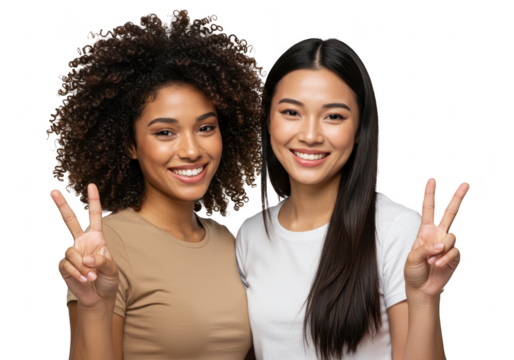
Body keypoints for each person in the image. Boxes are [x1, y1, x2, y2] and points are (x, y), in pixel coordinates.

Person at [235, 37, 470, 360]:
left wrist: (424, 297)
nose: (310, 135)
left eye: (333, 116)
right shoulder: (250, 234)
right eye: (291, 112)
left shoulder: (397, 231)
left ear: (360, 129)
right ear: (267, 120)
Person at [49, 9, 263, 360]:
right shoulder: (109, 247)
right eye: (165, 132)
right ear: (130, 145)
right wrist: (95, 308)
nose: (192, 150)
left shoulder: (230, 242)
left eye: (206, 127)